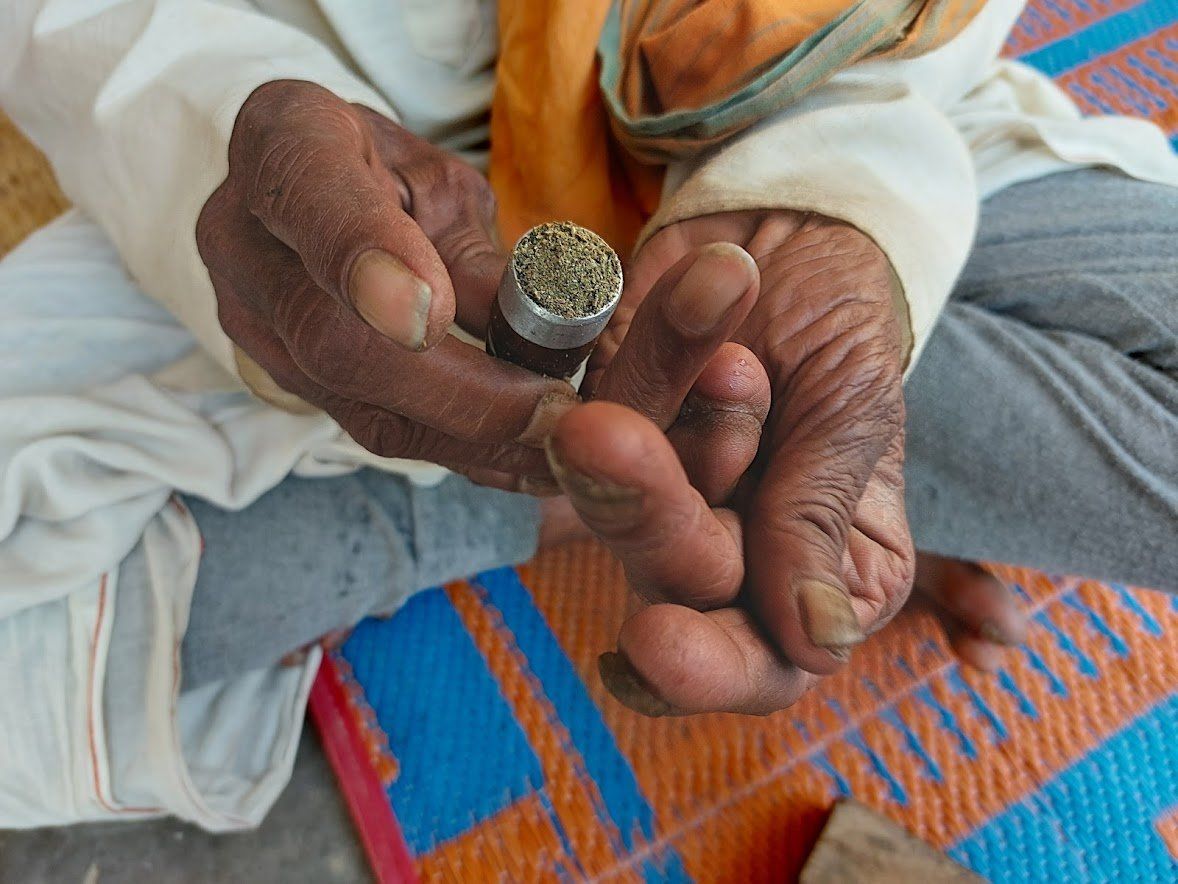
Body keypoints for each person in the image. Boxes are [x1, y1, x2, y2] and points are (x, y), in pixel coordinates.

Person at [1, 0, 1175, 830]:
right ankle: (561, 476)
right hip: (347, 147)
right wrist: (223, 126)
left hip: (814, 111)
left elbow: (922, 25)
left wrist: (830, 212)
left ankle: (579, 474)